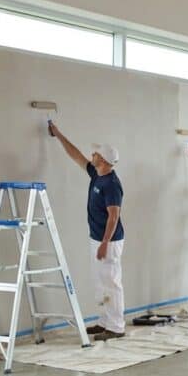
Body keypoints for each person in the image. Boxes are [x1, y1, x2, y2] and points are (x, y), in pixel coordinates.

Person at [48, 122, 127, 341]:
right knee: (100, 282)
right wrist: (59, 134)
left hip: (109, 241)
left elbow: (114, 216)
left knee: (111, 282)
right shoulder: (97, 175)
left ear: (102, 159)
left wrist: (104, 243)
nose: (91, 155)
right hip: (98, 238)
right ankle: (104, 322)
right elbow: (77, 155)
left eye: (95, 153)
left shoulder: (111, 184)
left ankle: (117, 326)